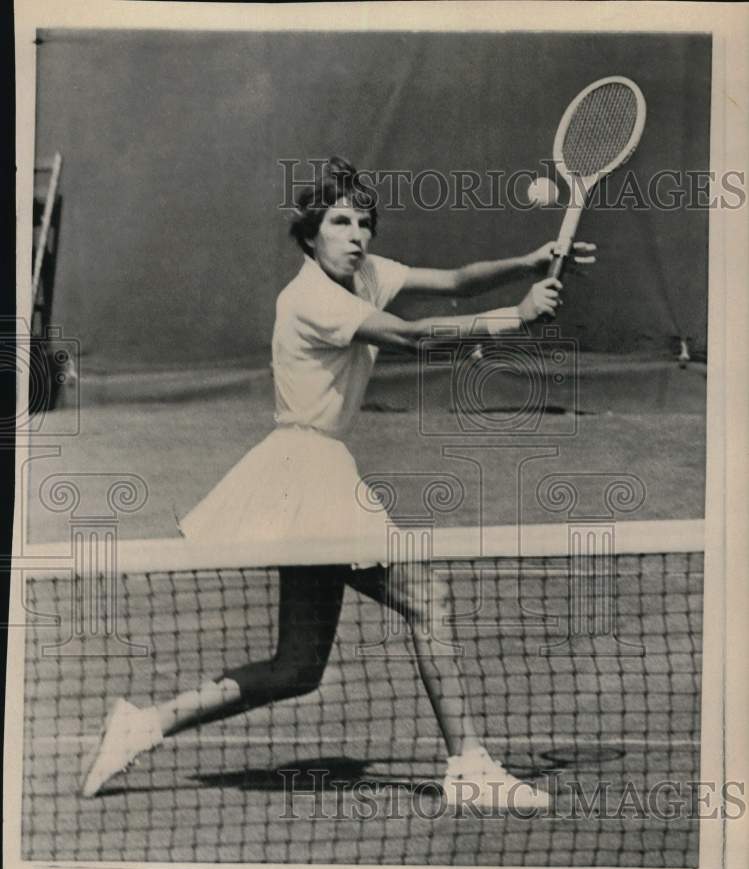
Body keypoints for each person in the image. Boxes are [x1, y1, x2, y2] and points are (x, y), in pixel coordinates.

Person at [82, 157, 595, 810]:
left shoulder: (366, 274)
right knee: (426, 596)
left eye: (363, 223)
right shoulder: (311, 299)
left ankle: (144, 722)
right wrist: (514, 320)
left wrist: (527, 263)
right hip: (305, 473)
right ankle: (468, 763)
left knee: (297, 666)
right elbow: (411, 338)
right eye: (338, 222)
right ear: (308, 235)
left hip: (308, 475)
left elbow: (458, 281)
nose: (355, 235)